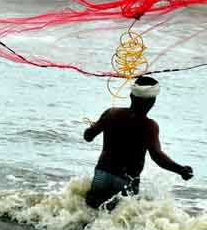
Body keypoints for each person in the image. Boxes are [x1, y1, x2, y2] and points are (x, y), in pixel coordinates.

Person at [83, 76, 194, 210]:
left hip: (102, 173)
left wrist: (93, 127)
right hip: (126, 180)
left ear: (131, 96)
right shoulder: (149, 126)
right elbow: (157, 156)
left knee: (90, 211)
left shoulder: (111, 114)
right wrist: (180, 170)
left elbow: (88, 136)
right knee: (119, 220)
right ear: (152, 102)